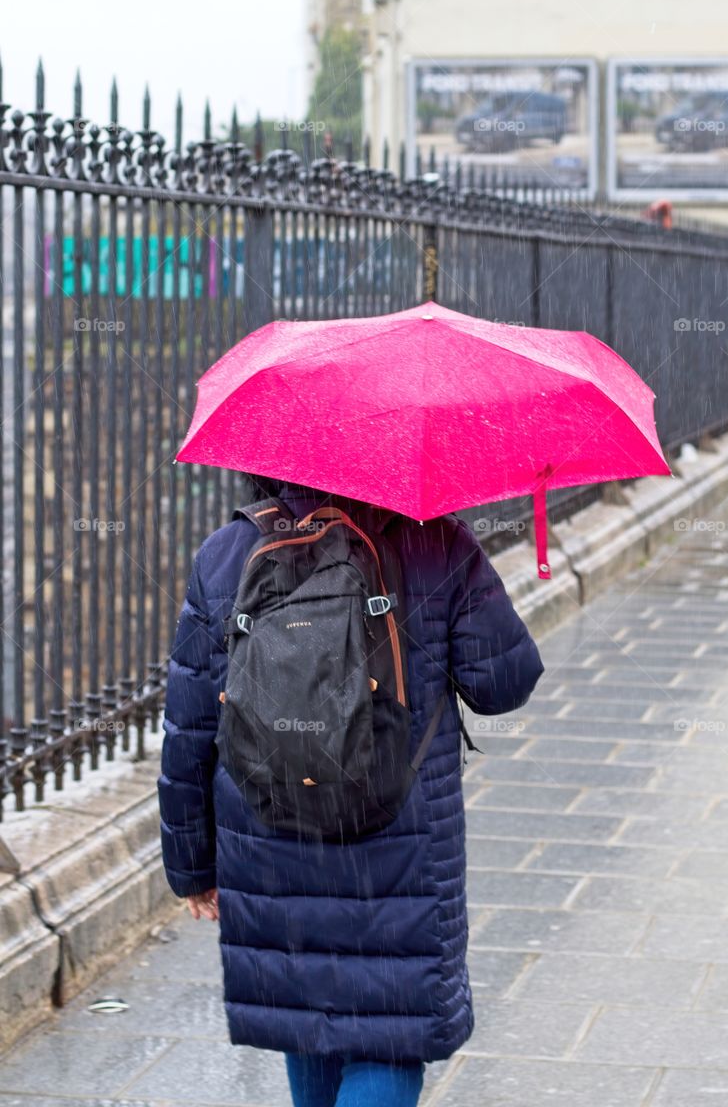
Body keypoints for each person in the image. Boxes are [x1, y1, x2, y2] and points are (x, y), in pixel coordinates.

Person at [158, 474, 543, 1107]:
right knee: (388, 1037)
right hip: (399, 844)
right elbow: (503, 684)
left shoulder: (227, 553)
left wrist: (192, 864)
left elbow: (191, 727)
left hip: (268, 839)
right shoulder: (436, 542)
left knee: (308, 1023)